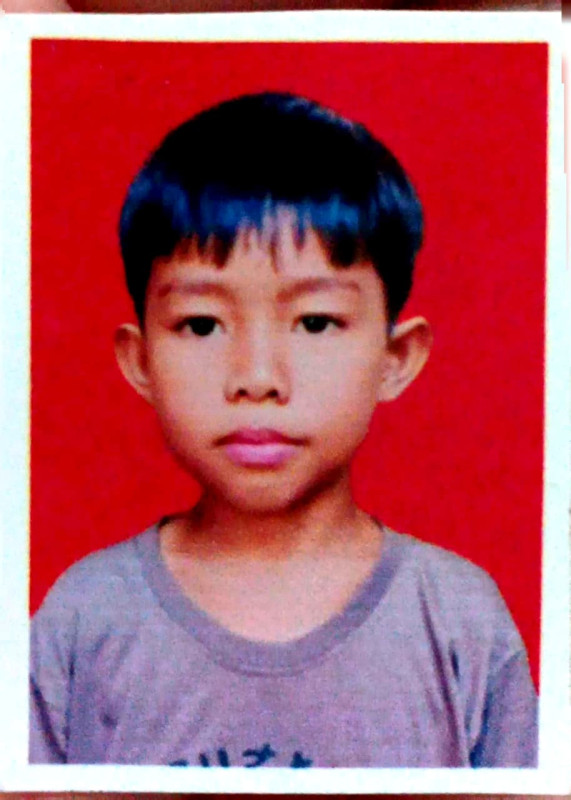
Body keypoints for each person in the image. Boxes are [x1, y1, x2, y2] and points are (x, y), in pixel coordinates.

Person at [29, 92, 537, 767]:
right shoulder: (85, 619)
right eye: (202, 325)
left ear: (395, 359)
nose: (257, 378)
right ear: (140, 359)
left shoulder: (459, 622)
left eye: (315, 322)